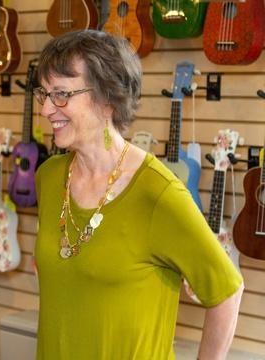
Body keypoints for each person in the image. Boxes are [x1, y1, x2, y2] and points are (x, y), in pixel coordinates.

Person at [33, 30, 243, 359]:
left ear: (108, 100)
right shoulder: (49, 177)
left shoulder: (158, 192)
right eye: (43, 94)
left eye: (61, 95)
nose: (46, 109)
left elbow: (228, 291)